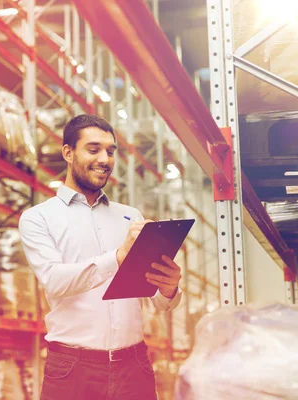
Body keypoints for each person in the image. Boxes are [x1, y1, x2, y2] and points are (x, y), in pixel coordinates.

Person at [19, 114, 183, 400]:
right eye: (93, 149)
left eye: (110, 151)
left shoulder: (130, 217)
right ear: (68, 153)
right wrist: (118, 257)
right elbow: (54, 281)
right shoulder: (39, 218)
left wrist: (168, 288)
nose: (104, 159)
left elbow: (157, 301)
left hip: (134, 365)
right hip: (72, 369)